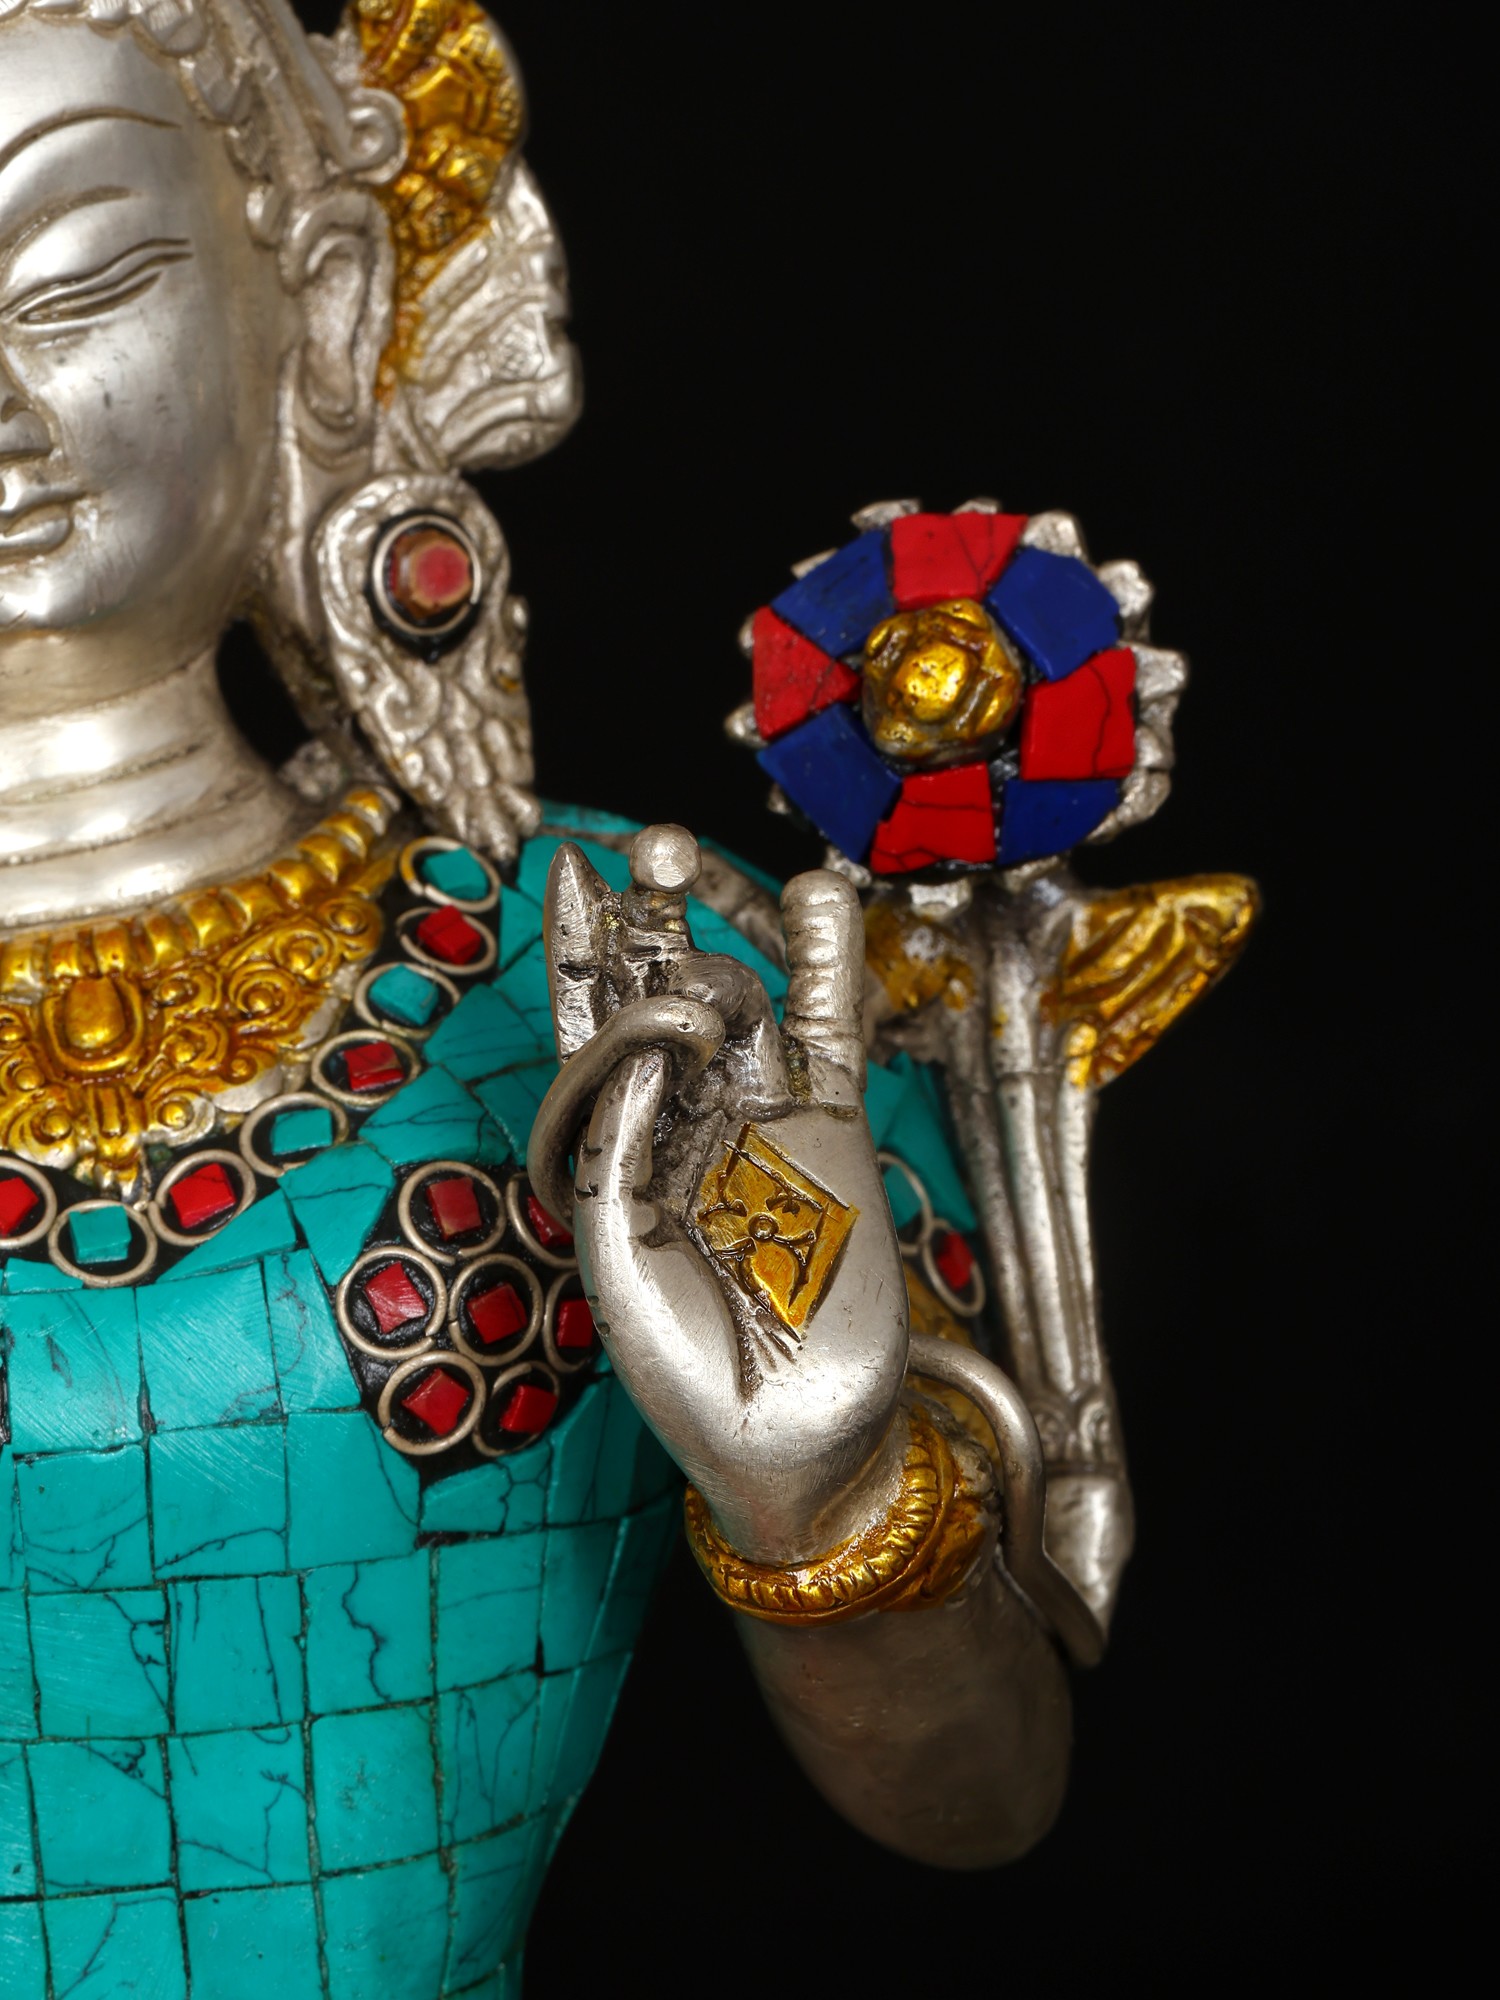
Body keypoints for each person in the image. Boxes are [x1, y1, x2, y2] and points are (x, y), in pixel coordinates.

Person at [0, 3, 1254, 1993]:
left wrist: (830, 1500)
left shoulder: (604, 973)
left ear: (319, 300)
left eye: (76, 288)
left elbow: (984, 1787)